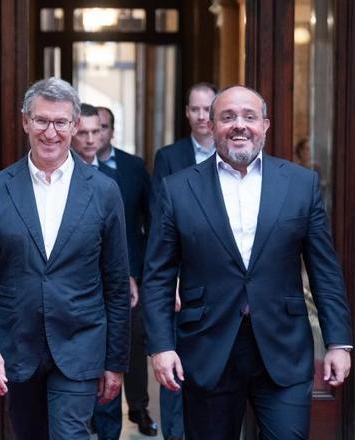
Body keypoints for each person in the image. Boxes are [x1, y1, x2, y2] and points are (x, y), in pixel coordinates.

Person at [142, 85, 353, 440]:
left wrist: (338, 342)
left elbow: (325, 271)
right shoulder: (177, 189)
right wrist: (161, 347)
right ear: (211, 125)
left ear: (265, 125)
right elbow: (158, 276)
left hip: (283, 349)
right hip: (208, 350)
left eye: (249, 117)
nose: (239, 125)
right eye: (227, 117)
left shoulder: (301, 184)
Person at [0, 77, 132, 440]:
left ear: (74, 126)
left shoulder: (103, 192)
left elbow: (116, 283)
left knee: (71, 434)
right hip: (17, 349)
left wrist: (116, 362)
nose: (50, 132)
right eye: (41, 121)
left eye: (60, 122)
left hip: (80, 346)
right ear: (25, 121)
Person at [151, 82, 217, 440]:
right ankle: (174, 433)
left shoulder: (236, 156)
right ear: (186, 113)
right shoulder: (169, 157)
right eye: (195, 109)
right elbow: (160, 222)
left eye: (208, 109)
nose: (202, 116)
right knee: (174, 361)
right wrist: (170, 279)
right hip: (181, 278)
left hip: (221, 283)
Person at [92, 106, 157, 438]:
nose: (96, 135)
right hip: (88, 275)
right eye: (90, 128)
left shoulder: (133, 167)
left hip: (132, 270)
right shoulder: (71, 167)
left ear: (111, 131)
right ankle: (94, 411)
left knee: (131, 339)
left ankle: (139, 407)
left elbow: (151, 218)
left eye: (102, 128)